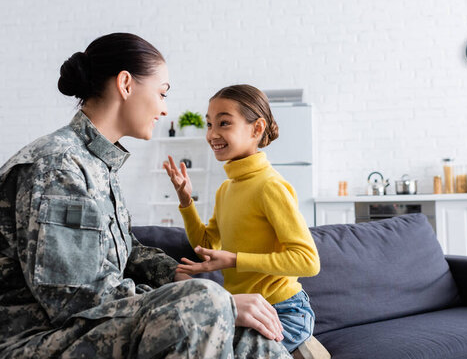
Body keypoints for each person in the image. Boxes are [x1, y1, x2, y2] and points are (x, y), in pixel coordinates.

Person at [0, 33, 291, 359]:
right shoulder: (57, 165)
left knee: (252, 338)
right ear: (125, 84)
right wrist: (204, 298)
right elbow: (75, 300)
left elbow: (122, 250)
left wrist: (173, 273)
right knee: (205, 305)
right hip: (36, 338)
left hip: (90, 327)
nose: (165, 109)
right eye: (162, 93)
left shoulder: (98, 164)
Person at [162, 84, 327, 356]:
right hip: (244, 310)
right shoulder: (227, 189)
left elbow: (308, 261)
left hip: (284, 311)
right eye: (209, 124)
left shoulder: (270, 186)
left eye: (224, 123)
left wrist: (235, 259)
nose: (212, 134)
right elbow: (205, 242)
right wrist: (185, 201)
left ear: (256, 128)